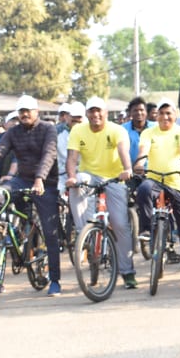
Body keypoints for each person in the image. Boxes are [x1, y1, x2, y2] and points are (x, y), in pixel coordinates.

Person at [0, 95, 64, 296]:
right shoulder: (13, 132)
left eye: (28, 111)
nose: (24, 114)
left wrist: (40, 179)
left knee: (50, 233)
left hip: (45, 183)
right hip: (21, 180)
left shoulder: (48, 128)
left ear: (36, 112)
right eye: (21, 111)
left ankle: (55, 280)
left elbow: (49, 154)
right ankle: (11, 239)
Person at [65, 97, 135, 287]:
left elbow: (123, 152)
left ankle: (127, 272)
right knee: (76, 182)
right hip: (89, 175)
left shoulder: (116, 130)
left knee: (120, 225)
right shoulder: (78, 129)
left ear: (106, 113)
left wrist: (127, 170)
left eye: (99, 111)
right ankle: (83, 232)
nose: (95, 115)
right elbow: (72, 157)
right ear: (87, 114)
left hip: (114, 177)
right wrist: (71, 176)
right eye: (91, 111)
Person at [133, 100, 180, 281]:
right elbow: (143, 150)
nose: (165, 117)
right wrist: (139, 163)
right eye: (161, 113)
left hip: (177, 180)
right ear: (156, 116)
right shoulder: (148, 132)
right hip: (155, 178)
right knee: (143, 190)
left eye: (168, 113)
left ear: (175, 116)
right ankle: (146, 230)